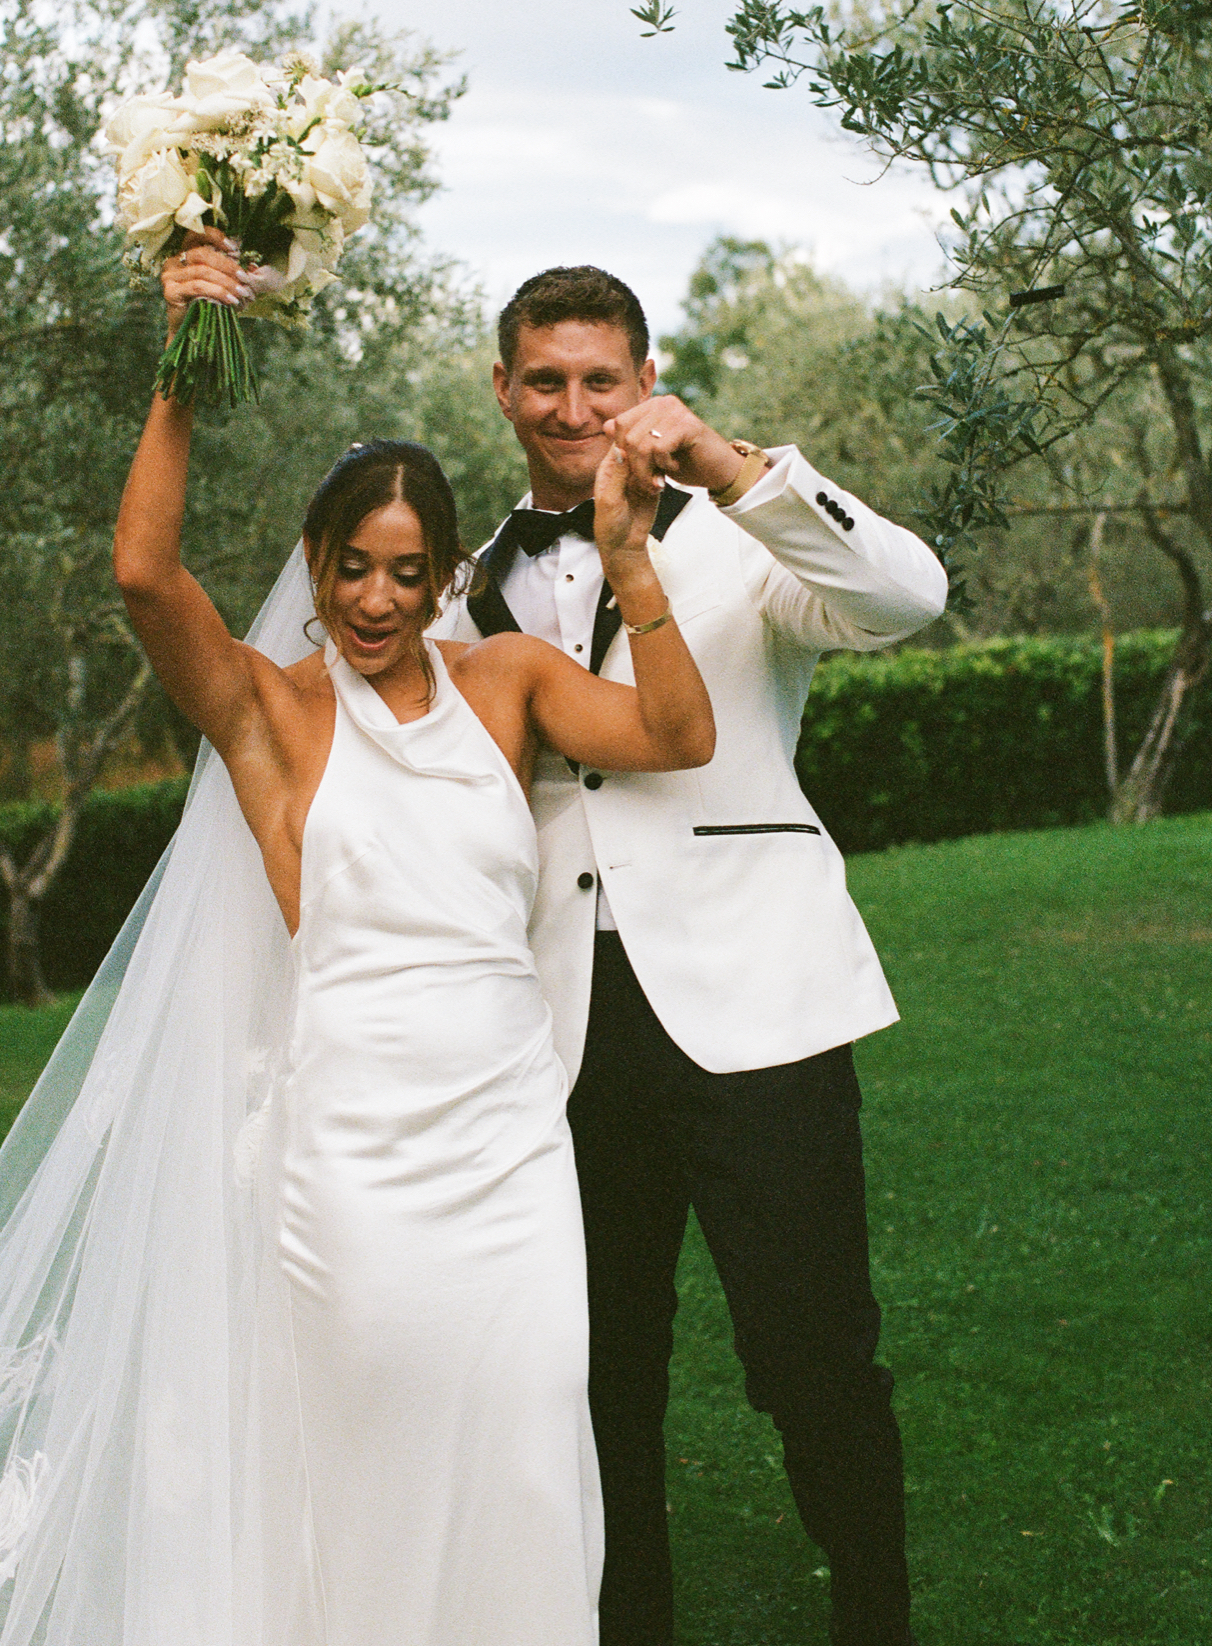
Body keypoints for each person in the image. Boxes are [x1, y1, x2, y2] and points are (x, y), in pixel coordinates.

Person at [0, 249, 714, 1646]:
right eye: (353, 569)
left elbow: (677, 735)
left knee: (527, 1446)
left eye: (407, 572)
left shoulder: (509, 684)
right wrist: (183, 368)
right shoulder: (269, 716)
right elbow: (144, 574)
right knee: (375, 1461)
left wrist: (633, 562)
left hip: (514, 1145)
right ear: (318, 568)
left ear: (447, 576)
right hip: (354, 1156)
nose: (377, 601)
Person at [432, 263, 948, 1646]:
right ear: (503, 389)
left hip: (757, 1007)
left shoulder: (744, 539)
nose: (573, 407)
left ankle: (878, 1624)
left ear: (647, 383)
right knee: (598, 1374)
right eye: (546, 380)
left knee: (813, 1357)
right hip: (556, 1032)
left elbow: (910, 595)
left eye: (601, 380)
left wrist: (732, 467)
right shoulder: (460, 587)